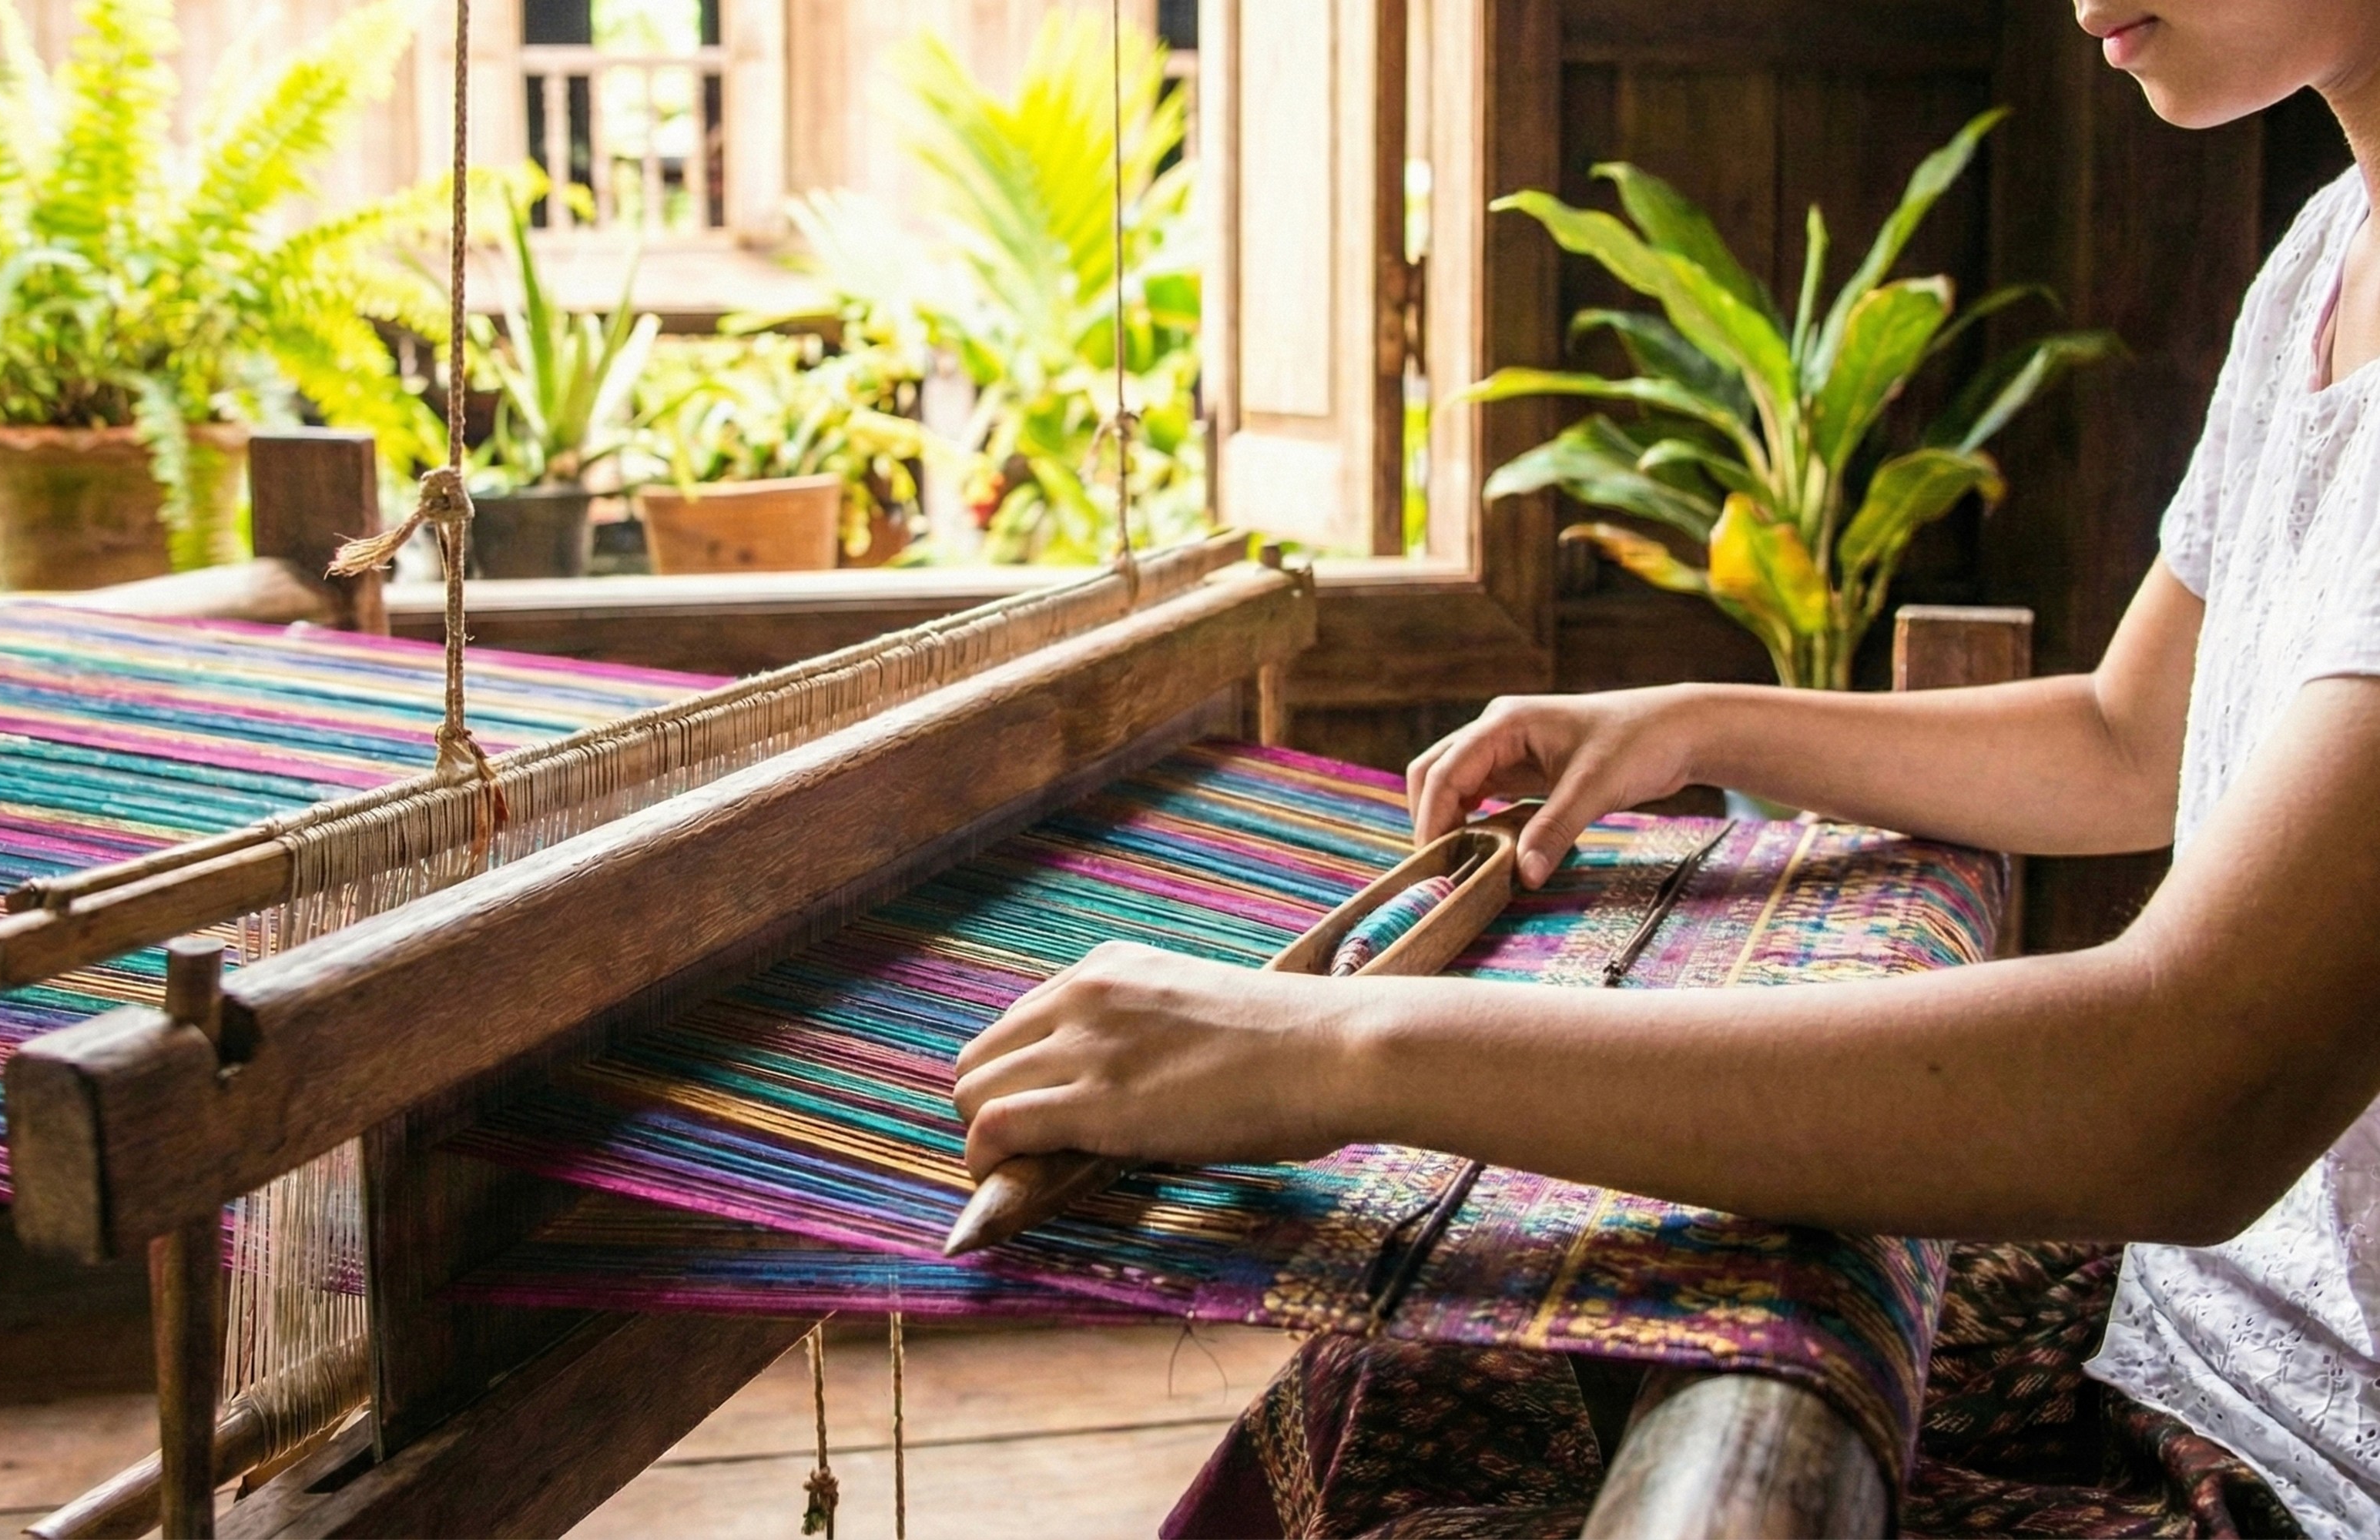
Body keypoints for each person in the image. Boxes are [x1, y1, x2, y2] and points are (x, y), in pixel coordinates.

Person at [951, 2, 2380, 1533]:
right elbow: (2131, 739)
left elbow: (2185, 1094)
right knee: (1439, 1376)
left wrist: (1334, 1050)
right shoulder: (2324, 253)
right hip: (2176, 1342)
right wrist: (1699, 721)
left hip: (2308, 1466)